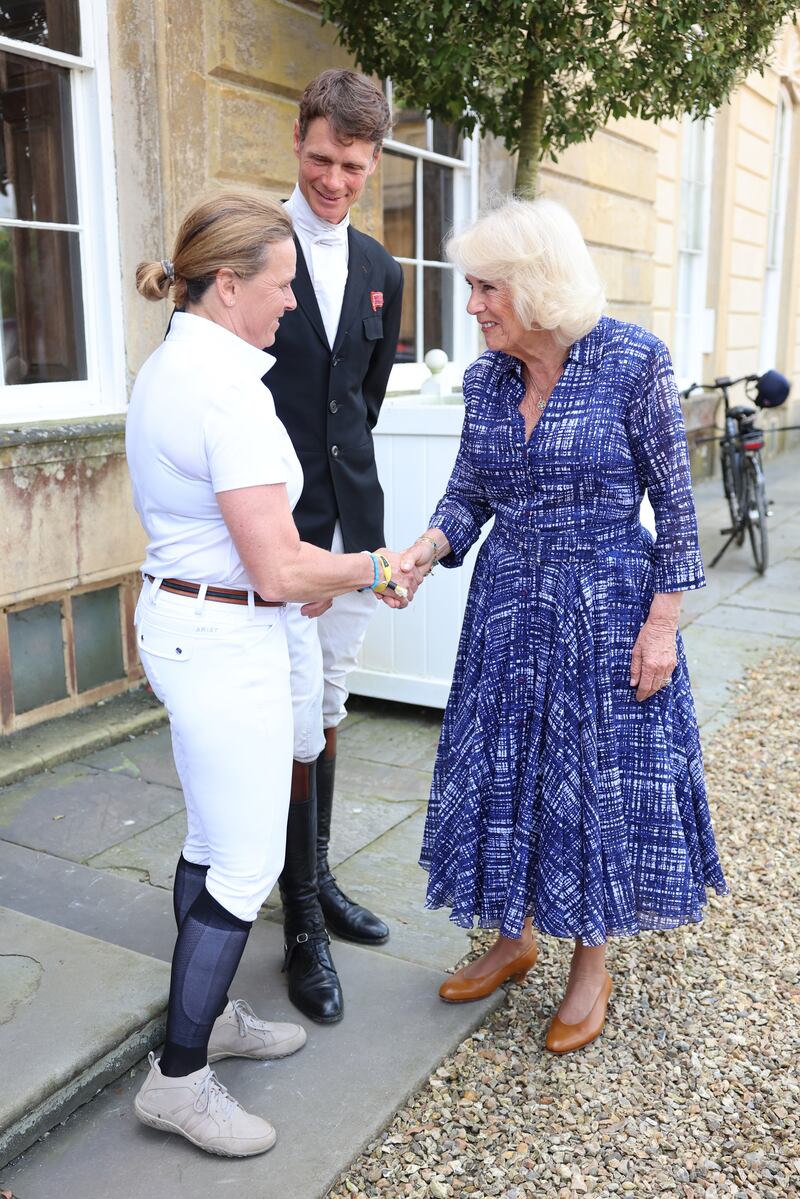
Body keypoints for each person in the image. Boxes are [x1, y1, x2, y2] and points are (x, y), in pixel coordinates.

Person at [125, 192, 418, 1156]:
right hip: (222, 641)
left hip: (193, 623)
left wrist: (319, 578)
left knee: (214, 839)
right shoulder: (224, 392)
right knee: (246, 863)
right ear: (228, 284)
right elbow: (281, 566)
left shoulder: (177, 364)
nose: (292, 303)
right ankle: (177, 1078)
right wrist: (375, 566)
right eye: (282, 284)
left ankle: (204, 1025)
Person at [402, 198, 728, 1054]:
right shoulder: (486, 380)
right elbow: (469, 490)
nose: (471, 305)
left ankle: (591, 965)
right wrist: (426, 549)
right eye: (470, 287)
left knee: (591, 780)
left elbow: (677, 506)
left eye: (485, 288)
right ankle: (512, 936)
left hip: (607, 603)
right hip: (509, 601)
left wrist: (662, 625)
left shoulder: (632, 361)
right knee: (508, 767)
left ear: (537, 286)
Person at [267, 70, 404, 1023]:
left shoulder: (384, 272)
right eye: (321, 159)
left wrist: (356, 539)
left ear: (373, 162)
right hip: (276, 536)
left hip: (356, 528)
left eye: (353, 166)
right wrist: (289, 542)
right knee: (286, 728)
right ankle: (298, 920)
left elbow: (360, 407)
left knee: (329, 706)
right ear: (299, 142)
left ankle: (317, 877)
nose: (335, 180)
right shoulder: (246, 247)